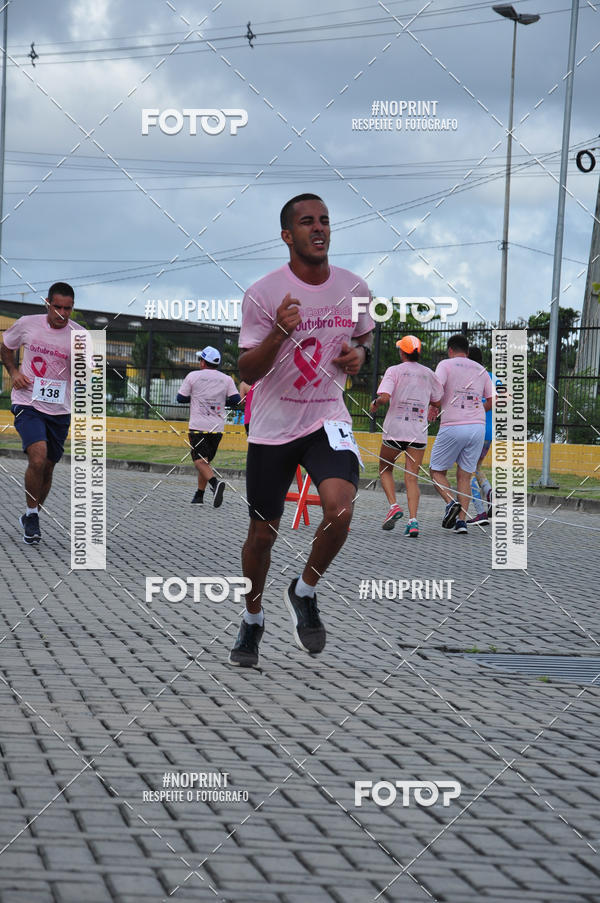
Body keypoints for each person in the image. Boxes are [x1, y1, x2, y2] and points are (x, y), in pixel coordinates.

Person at [229, 193, 374, 667]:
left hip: (327, 417)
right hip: (273, 427)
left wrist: (360, 357)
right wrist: (279, 333)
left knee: (340, 509)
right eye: (308, 222)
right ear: (287, 235)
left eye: (326, 221)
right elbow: (247, 371)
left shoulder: (355, 288)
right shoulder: (263, 293)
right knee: (262, 535)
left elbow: (363, 343)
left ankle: (304, 589)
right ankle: (253, 619)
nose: (319, 229)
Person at [0, 282, 85, 544]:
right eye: (57, 307)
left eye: (67, 309)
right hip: (28, 402)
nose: (62, 313)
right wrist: (14, 372)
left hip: (60, 409)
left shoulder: (79, 335)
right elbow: (5, 346)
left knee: (48, 467)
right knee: (38, 457)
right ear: (47, 303)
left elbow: (86, 374)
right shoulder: (27, 323)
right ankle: (32, 515)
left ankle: (31, 514)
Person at [370, 335, 443, 538]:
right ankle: (413, 521)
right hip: (417, 433)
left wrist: (375, 403)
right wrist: (432, 408)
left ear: (402, 352)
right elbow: (437, 400)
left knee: (385, 468)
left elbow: (384, 397)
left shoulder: (394, 371)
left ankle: (394, 506)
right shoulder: (429, 373)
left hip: (395, 429)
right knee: (411, 477)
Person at [429, 334, 493, 535]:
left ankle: (450, 503)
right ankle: (462, 522)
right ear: (467, 350)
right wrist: (475, 412)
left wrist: (433, 406)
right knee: (464, 475)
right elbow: (492, 399)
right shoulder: (480, 369)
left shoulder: (446, 365)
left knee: (436, 471)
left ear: (450, 349)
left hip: (453, 424)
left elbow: (436, 391)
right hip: (478, 428)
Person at [176, 346, 240, 506]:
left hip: (198, 426)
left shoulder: (193, 376)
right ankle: (199, 495)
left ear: (204, 362)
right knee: (205, 462)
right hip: (217, 428)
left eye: (200, 360)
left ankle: (215, 484)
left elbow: (180, 398)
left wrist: (198, 397)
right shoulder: (227, 379)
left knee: (199, 462)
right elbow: (236, 400)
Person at [466, 346, 500, 526]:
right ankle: (491, 494)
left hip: (473, 430)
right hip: (489, 432)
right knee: (477, 467)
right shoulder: (493, 377)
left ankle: (479, 512)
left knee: (467, 470)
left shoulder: (471, 379)